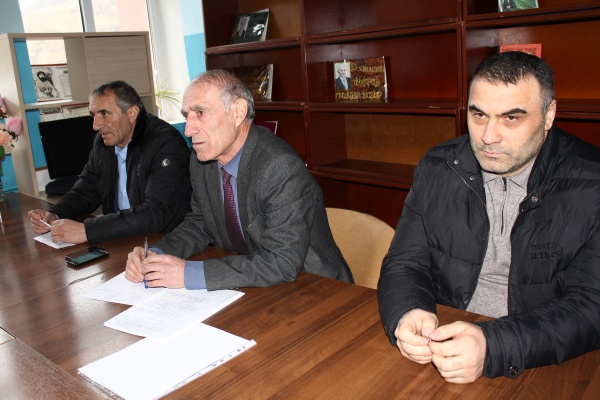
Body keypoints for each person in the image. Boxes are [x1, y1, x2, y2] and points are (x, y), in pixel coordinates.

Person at [378, 51, 600, 383]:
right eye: (478, 115)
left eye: (511, 118)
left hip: (540, 359)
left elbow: (591, 306)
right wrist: (408, 310)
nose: (488, 137)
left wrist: (493, 346)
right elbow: (405, 261)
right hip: (444, 339)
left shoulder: (592, 182)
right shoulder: (438, 167)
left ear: (549, 115)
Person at [125, 69, 353, 290]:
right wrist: (157, 254)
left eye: (200, 113)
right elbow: (200, 222)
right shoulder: (202, 160)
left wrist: (188, 273)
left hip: (315, 285)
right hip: (255, 280)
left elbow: (281, 262)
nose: (188, 130)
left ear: (238, 112)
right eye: (187, 116)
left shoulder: (279, 167)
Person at [29, 80, 192, 244]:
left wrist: (87, 231)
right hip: (120, 238)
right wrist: (55, 213)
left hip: (165, 242)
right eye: (93, 115)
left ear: (132, 113)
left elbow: (157, 212)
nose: (95, 125)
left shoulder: (166, 143)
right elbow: (85, 191)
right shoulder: (103, 143)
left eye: (104, 114)